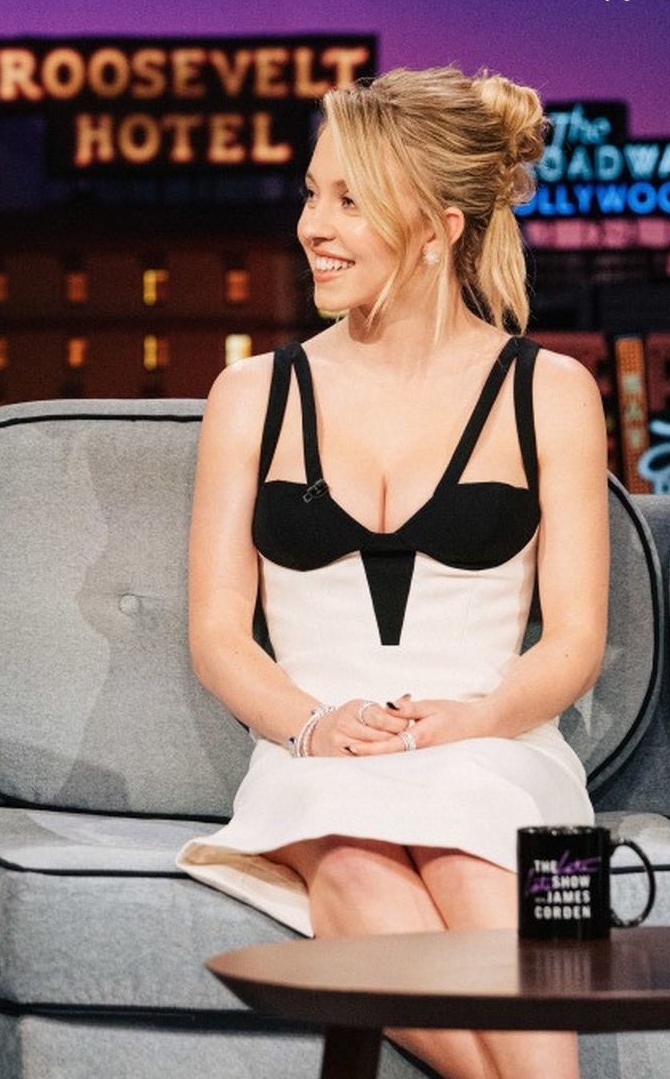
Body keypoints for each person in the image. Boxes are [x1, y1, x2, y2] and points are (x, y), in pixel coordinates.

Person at [174, 66, 609, 1079]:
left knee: (483, 869)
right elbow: (218, 634)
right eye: (311, 194)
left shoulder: (553, 389)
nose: (313, 227)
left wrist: (479, 719)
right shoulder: (251, 393)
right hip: (316, 759)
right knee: (357, 866)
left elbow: (576, 639)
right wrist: (311, 725)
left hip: (506, 751)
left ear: (437, 229)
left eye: (349, 200)